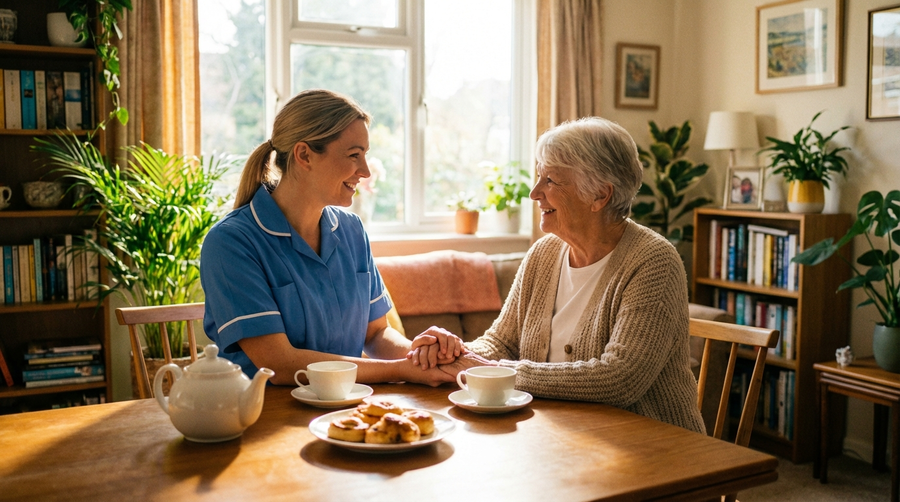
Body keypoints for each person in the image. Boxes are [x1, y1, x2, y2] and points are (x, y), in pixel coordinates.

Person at [413, 117, 705, 433]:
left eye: (550, 180)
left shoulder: (653, 262)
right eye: (539, 177)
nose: (534, 193)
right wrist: (455, 352)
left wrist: (493, 370)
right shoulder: (544, 253)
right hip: (565, 434)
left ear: (600, 195)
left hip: (653, 443)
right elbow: (501, 342)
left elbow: (619, 379)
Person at [200, 89, 461, 387]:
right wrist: (400, 370)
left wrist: (421, 354)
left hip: (349, 406)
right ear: (304, 155)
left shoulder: (352, 230)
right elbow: (279, 364)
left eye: (365, 155)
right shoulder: (231, 243)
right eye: (353, 155)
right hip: (265, 411)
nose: (365, 171)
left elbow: (376, 334)